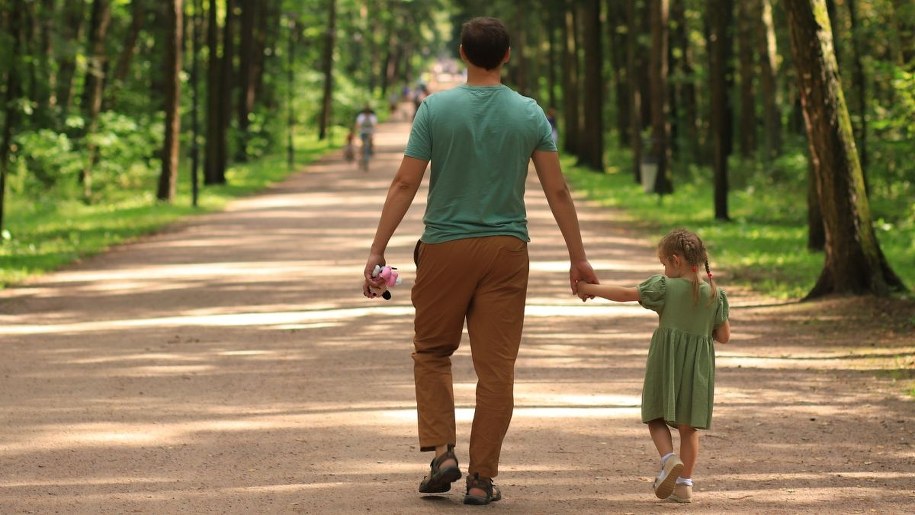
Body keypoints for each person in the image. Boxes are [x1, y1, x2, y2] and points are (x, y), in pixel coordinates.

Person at [363, 16, 596, 506]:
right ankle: (481, 478)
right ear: (506, 55)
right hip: (506, 252)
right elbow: (557, 190)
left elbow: (405, 182)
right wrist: (578, 258)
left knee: (432, 352)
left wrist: (377, 248)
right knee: (497, 370)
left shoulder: (435, 109)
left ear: (463, 54)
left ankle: (443, 454)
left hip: (444, 248)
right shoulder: (529, 114)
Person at [576, 228, 731, 504]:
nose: (664, 270)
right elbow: (724, 336)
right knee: (689, 429)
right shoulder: (715, 295)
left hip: (666, 362)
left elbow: (626, 293)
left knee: (655, 417)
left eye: (664, 264)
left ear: (675, 260)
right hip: (698, 370)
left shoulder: (664, 287)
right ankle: (684, 485)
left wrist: (589, 288)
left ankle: (669, 459)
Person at [354, 105, 377, 170]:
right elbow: (375, 125)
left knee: (364, 144)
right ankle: (366, 154)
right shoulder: (372, 116)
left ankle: (362, 155)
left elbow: (357, 125)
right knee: (367, 144)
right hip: (367, 132)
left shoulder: (361, 116)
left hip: (364, 132)